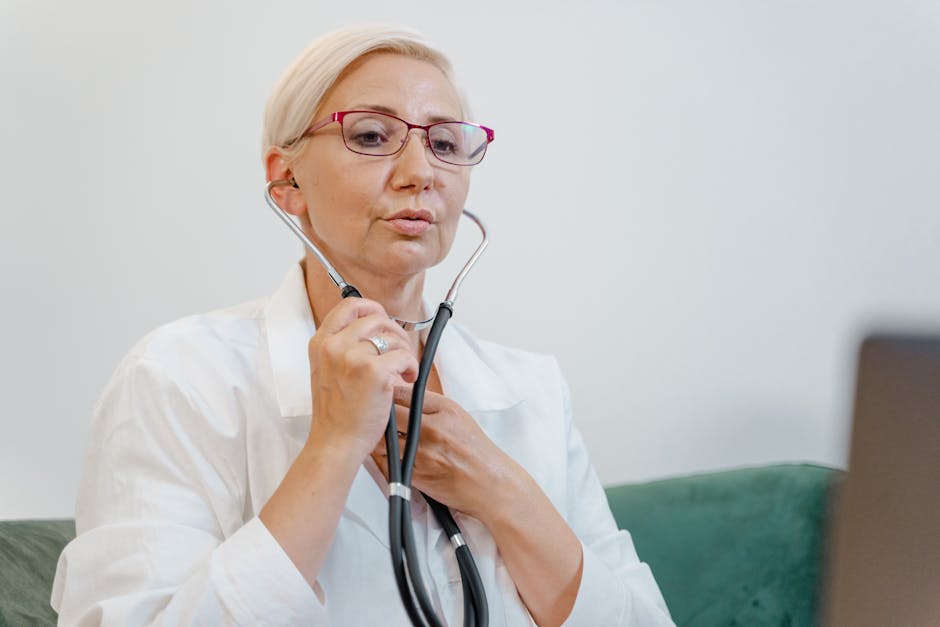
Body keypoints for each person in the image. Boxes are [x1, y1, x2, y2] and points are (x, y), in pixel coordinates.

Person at [51, 25, 674, 627]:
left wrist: (498, 486)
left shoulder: (533, 390)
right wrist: (334, 446)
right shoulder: (179, 379)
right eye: (373, 136)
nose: (420, 172)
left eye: (446, 144)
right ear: (286, 181)